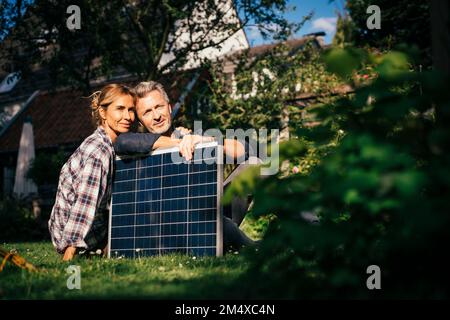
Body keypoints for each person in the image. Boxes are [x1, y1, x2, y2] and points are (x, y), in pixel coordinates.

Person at [114, 81, 257, 251]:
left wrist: (207, 141)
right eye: (147, 112)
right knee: (210, 219)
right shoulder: (138, 145)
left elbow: (249, 150)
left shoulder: (191, 138)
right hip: (173, 227)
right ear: (140, 120)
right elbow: (122, 142)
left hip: (211, 214)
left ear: (169, 107)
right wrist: (177, 144)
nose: (156, 116)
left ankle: (224, 241)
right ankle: (247, 246)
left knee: (254, 166)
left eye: (159, 107)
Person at [48, 84, 137, 261]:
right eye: (120, 109)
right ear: (103, 113)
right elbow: (84, 204)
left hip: (79, 228)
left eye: (131, 110)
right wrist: (68, 256)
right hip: (72, 233)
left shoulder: (104, 142)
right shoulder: (99, 152)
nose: (127, 116)